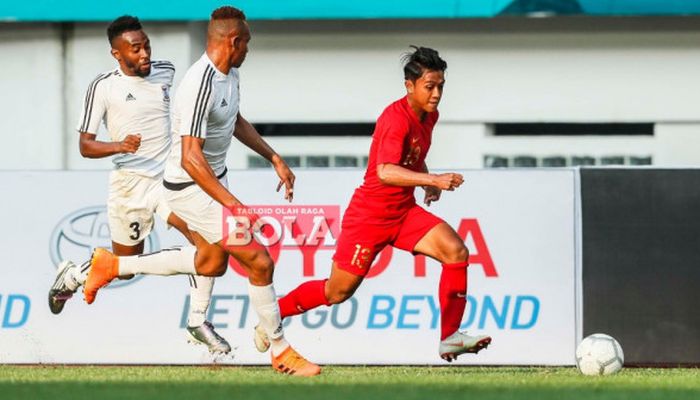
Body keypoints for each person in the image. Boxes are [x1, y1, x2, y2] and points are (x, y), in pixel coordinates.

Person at [82, 6, 321, 376]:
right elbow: (191, 157)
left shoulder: (231, 74)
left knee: (211, 262)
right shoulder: (198, 82)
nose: (249, 50)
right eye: (248, 43)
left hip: (213, 182)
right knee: (259, 260)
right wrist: (235, 206)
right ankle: (279, 348)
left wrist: (273, 156)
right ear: (234, 41)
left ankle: (114, 264)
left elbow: (234, 119)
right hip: (190, 187)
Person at [256, 46, 492, 362]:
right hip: (370, 216)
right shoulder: (396, 119)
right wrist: (433, 180)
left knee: (456, 251)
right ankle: (272, 317)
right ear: (410, 86)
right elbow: (385, 171)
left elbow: (411, 156)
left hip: (403, 212)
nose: (436, 94)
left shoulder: (430, 115)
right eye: (429, 87)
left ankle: (450, 337)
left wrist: (423, 177)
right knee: (337, 292)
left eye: (440, 86)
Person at [48, 15, 230, 354]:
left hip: (168, 181)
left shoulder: (166, 71)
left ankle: (198, 319)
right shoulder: (103, 86)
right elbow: (85, 146)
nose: (145, 53)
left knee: (207, 245)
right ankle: (73, 275)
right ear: (117, 54)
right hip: (129, 186)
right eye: (136, 49)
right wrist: (119, 145)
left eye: (146, 45)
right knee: (126, 267)